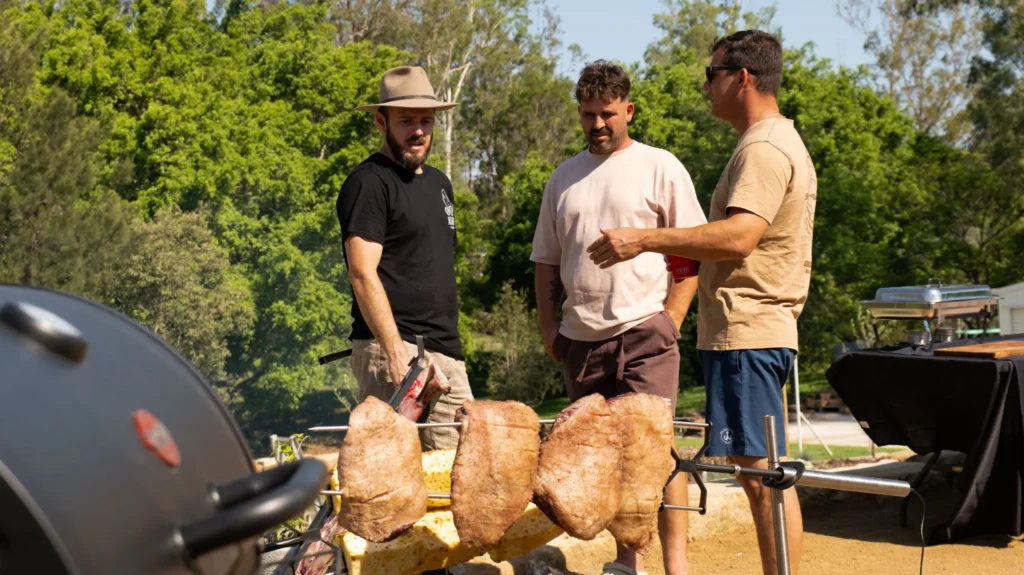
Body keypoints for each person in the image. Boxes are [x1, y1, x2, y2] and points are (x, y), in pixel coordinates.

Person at [585, 31, 817, 575]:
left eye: (712, 75)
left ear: (744, 77)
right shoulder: (770, 141)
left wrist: (644, 239)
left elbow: (740, 236)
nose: (705, 86)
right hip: (750, 334)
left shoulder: (763, 148)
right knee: (763, 472)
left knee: (762, 477)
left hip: (747, 333)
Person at [530, 59, 707, 575]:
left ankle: (675, 566)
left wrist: (672, 318)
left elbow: (690, 248)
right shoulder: (563, 178)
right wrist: (549, 330)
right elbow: (545, 261)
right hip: (580, 340)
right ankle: (627, 564)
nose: (598, 124)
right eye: (588, 114)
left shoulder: (660, 166)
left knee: (657, 453)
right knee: (603, 458)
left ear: (628, 110)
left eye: (607, 113)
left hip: (645, 332)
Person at [336, 65, 473, 452]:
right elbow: (361, 274)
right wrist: (396, 353)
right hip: (395, 353)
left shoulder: (440, 184)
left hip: (447, 353)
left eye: (426, 121)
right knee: (390, 474)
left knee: (457, 468)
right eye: (406, 121)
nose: (418, 131)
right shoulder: (369, 182)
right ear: (381, 122)